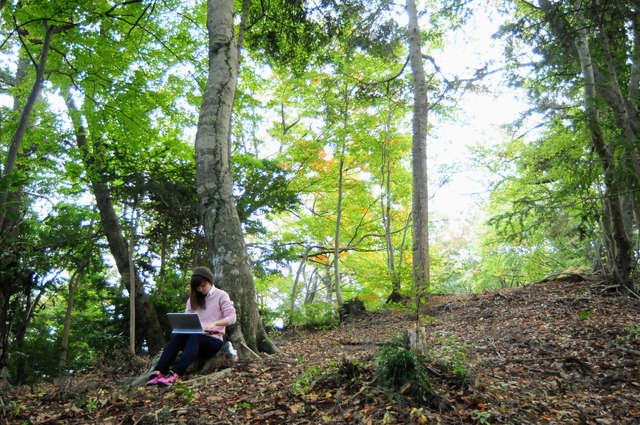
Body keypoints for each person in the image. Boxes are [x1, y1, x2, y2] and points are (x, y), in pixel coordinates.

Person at [147, 266, 237, 386]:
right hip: (192, 340)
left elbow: (232, 318)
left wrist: (215, 323)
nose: (200, 289)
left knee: (196, 336)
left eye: (203, 285)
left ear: (210, 281)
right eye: (197, 287)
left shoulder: (221, 295)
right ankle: (159, 371)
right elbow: (187, 318)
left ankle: (175, 373)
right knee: (178, 337)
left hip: (212, 341)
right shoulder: (192, 299)